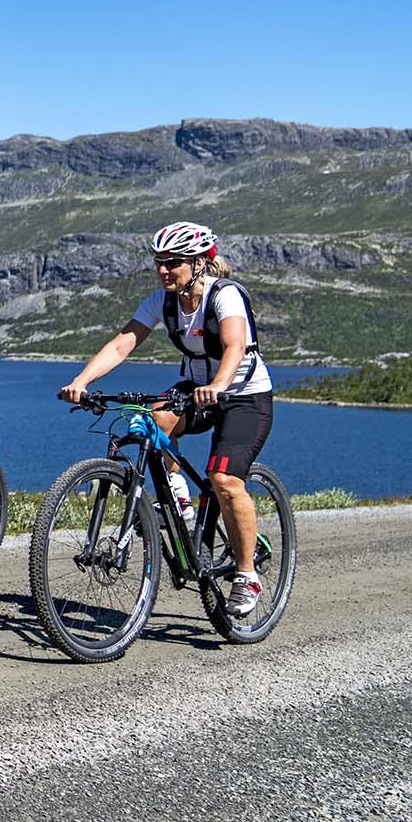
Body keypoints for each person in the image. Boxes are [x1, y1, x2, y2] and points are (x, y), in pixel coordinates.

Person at [58, 222, 273, 617]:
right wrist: (81, 381)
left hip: (244, 396)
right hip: (196, 391)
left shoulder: (225, 296)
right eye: (159, 262)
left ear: (198, 263)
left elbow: (235, 345)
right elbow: (124, 342)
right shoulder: (164, 301)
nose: (163, 270)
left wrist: (219, 384)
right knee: (149, 422)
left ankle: (246, 575)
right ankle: (180, 501)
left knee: (225, 479)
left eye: (172, 262)